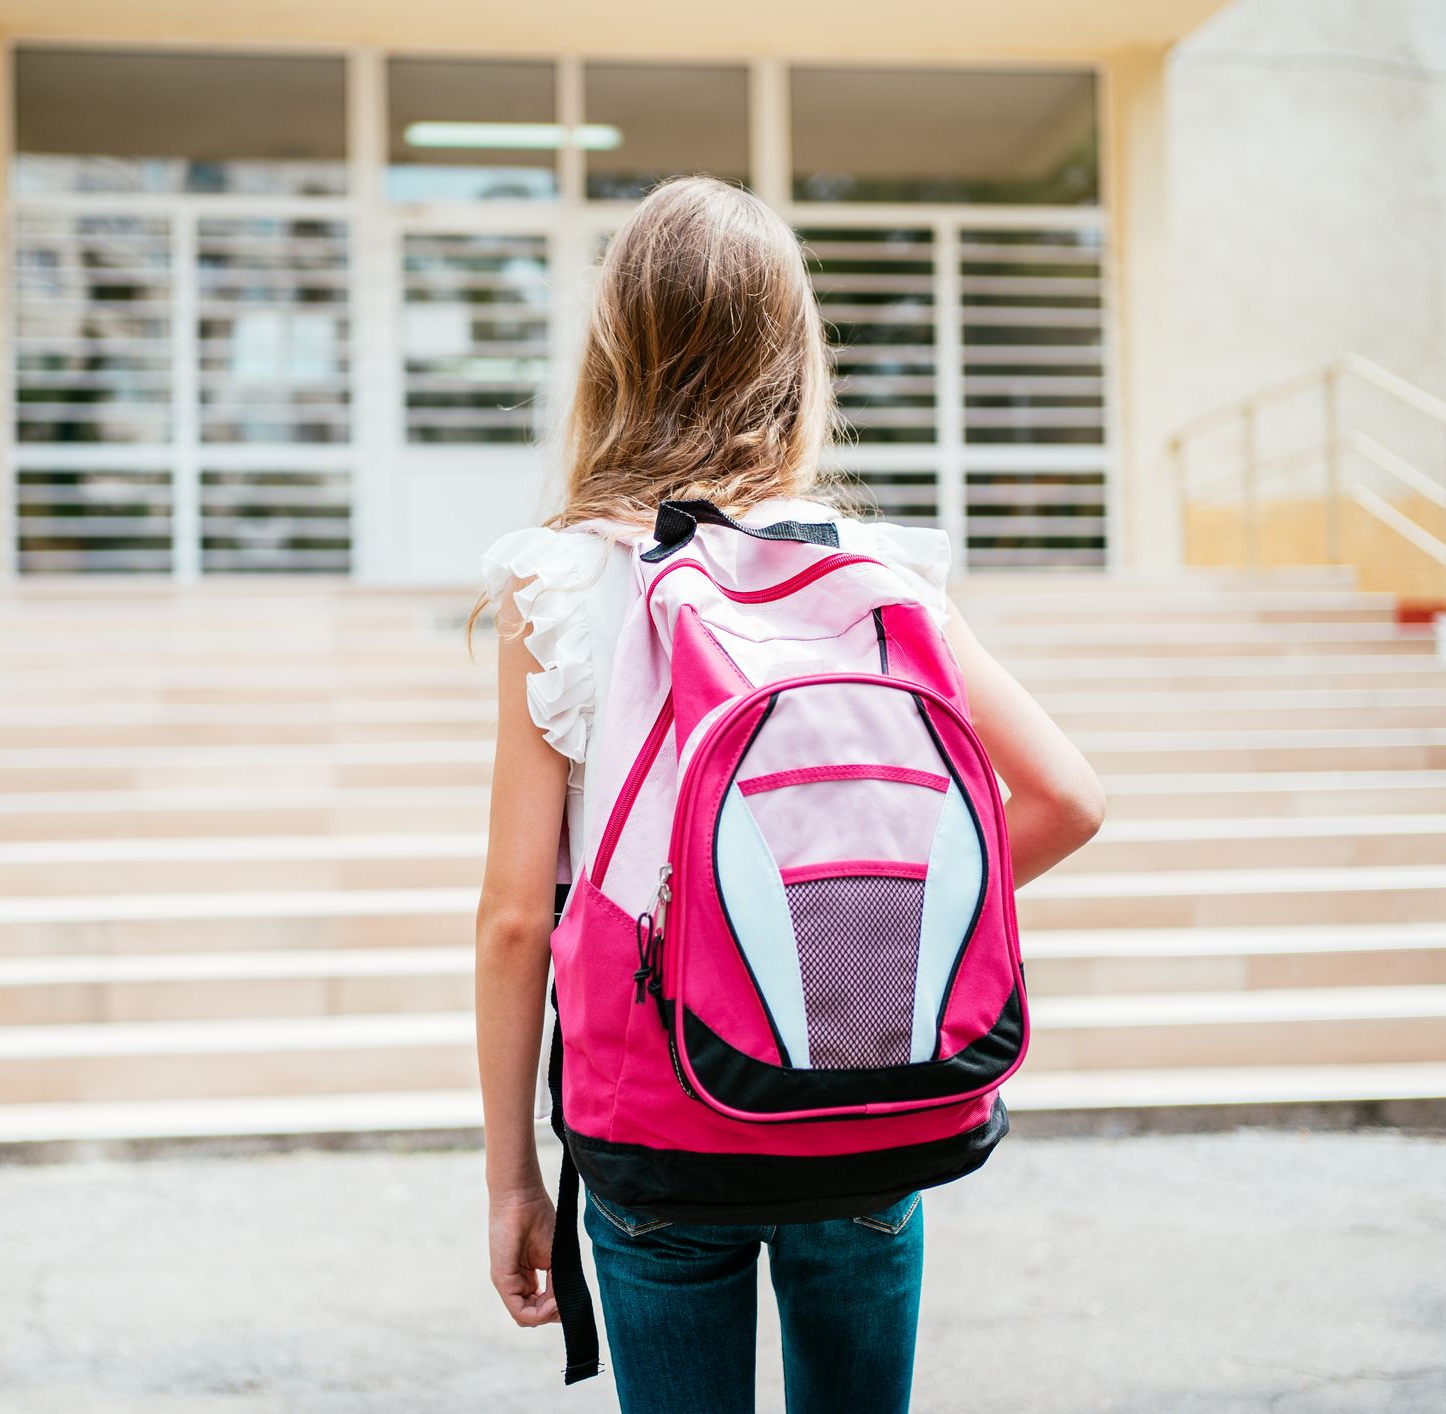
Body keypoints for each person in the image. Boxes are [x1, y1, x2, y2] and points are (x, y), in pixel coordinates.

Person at [472, 176, 1106, 1413]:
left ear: (615, 353)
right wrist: (857, 930)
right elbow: (1067, 798)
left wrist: (512, 1181)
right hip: (861, 1091)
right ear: (796, 354)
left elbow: (514, 919)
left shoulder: (555, 586)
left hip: (653, 1126)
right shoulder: (878, 575)